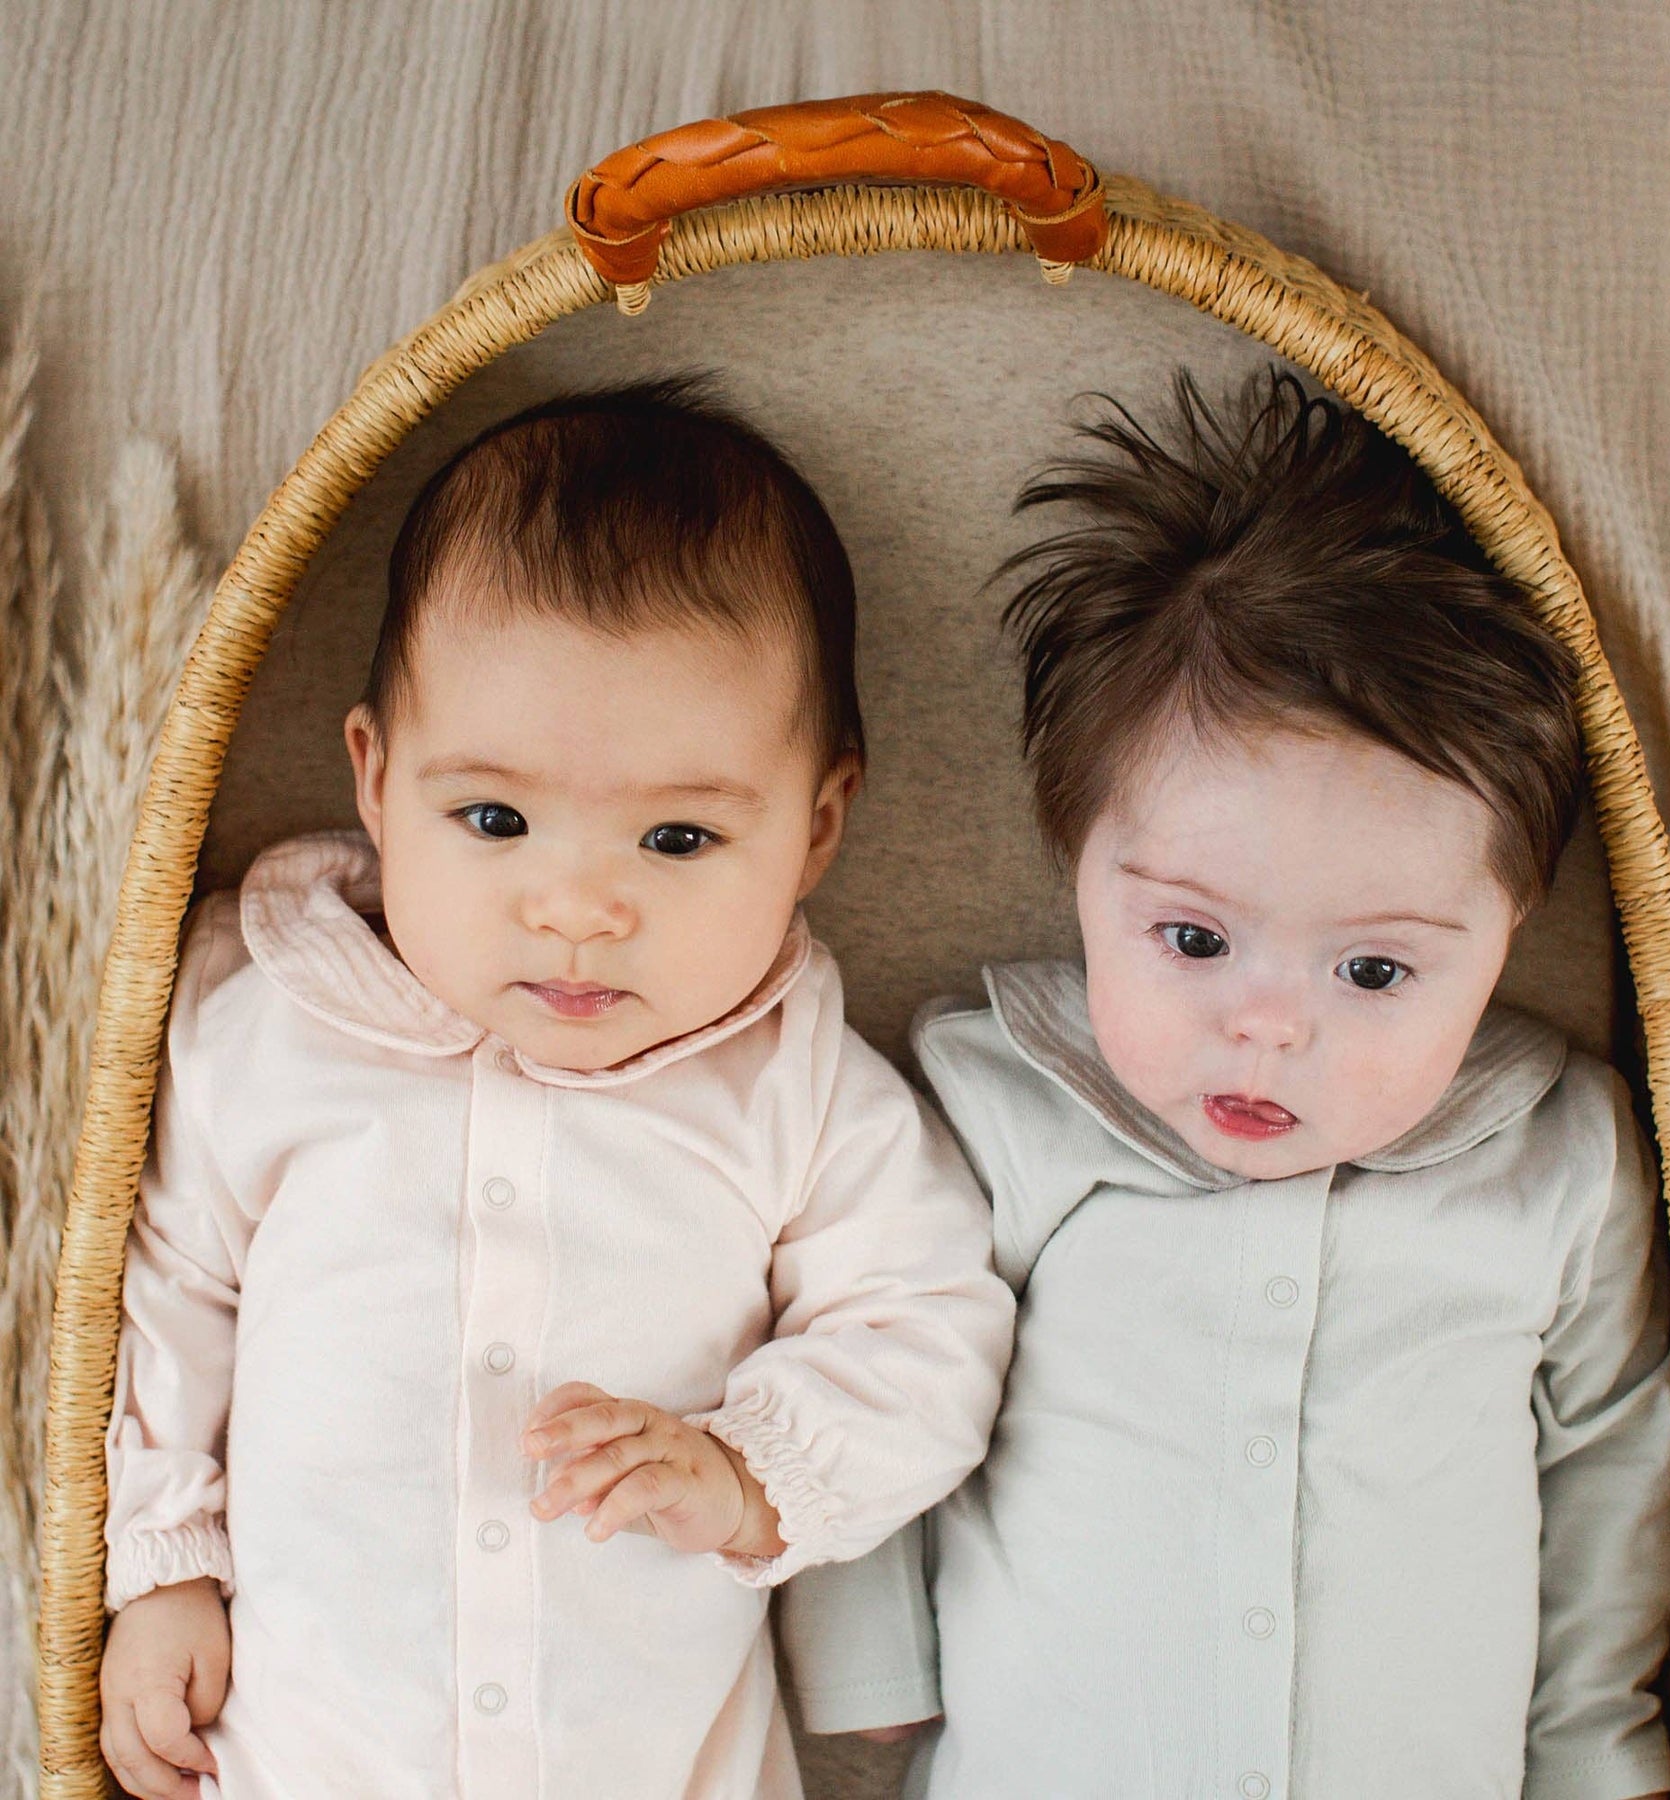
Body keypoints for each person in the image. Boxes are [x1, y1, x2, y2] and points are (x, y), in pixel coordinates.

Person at [97, 381, 1015, 1800]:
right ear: (376, 779)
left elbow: (931, 1324)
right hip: (309, 1750)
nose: (579, 909)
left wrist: (748, 1474)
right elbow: (163, 1299)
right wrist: (165, 1566)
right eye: (495, 819)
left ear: (819, 827)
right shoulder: (267, 1022)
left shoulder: (793, 1083)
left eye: (677, 838)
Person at [782, 370, 1670, 1799]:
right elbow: (875, 1361)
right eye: (1194, 941)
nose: (1265, 1028)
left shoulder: (1556, 1158)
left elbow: (1612, 1469)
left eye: (1374, 971)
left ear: (1511, 930)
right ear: (1079, 869)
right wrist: (867, 1657)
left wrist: (1592, 1747)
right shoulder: (996, 1105)